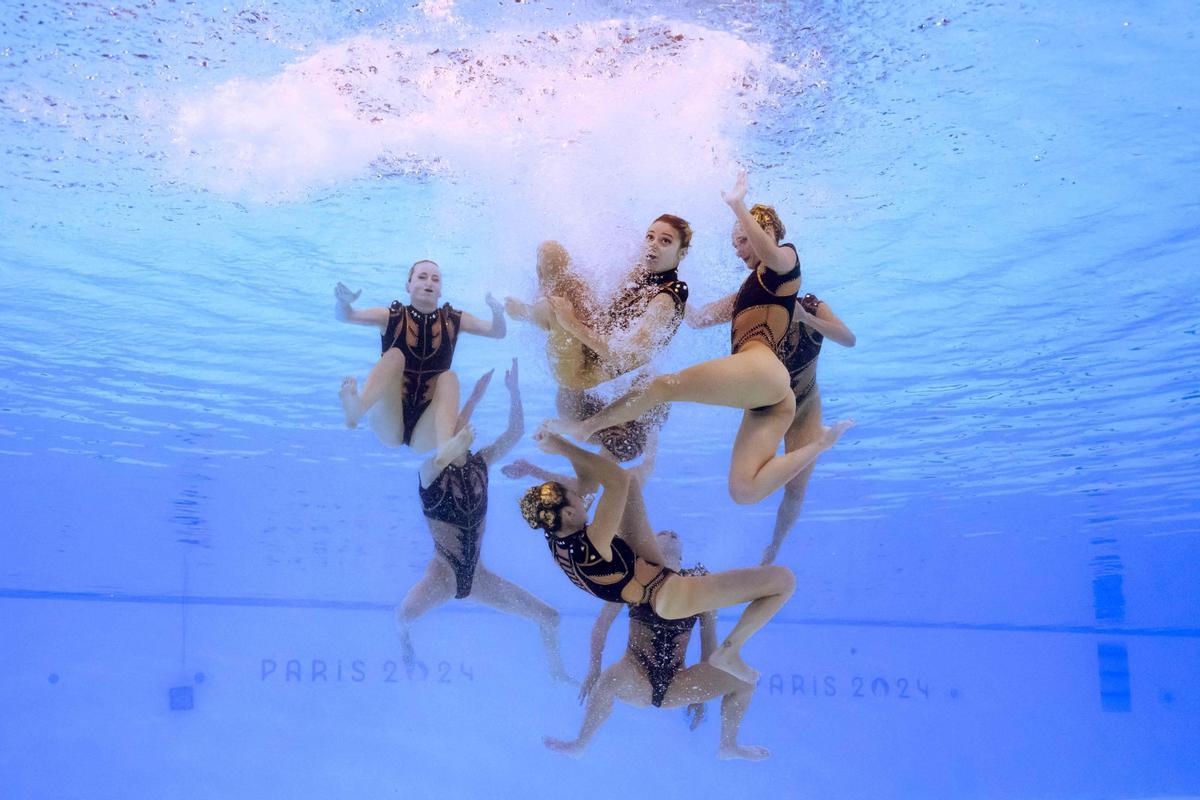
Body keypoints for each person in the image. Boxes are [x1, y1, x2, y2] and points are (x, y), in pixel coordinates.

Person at [549, 172, 852, 504]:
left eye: (744, 240)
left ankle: (586, 427)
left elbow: (773, 256)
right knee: (744, 490)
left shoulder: (785, 261)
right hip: (772, 400)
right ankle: (820, 444)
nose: (739, 251)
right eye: (735, 243)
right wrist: (661, 282)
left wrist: (738, 206)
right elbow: (695, 318)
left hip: (763, 369)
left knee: (663, 387)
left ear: (767, 232)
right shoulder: (747, 292)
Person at [519, 426, 794, 687]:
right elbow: (613, 480)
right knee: (783, 581)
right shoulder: (592, 542)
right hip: (668, 595)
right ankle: (730, 653)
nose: (582, 499)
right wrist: (561, 445)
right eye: (576, 499)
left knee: (632, 482)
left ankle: (636, 435)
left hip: (645, 573)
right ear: (568, 513)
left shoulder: (557, 537)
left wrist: (571, 455)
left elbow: (594, 485)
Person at [399, 360, 571, 682]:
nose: (463, 430)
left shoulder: (481, 463)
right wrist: (466, 415)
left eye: (462, 428)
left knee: (551, 618)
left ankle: (558, 673)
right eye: (453, 431)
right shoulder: (430, 474)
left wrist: (513, 392)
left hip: (479, 578)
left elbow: (515, 432)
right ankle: (405, 644)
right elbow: (440, 456)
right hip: (443, 576)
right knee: (404, 615)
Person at [543, 530, 769, 761]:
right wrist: (594, 668)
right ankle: (581, 744)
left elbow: (708, 644)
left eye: (675, 534)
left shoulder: (700, 584)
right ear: (649, 546)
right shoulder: (631, 578)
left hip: (677, 683)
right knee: (610, 679)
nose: (670, 532)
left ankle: (728, 746)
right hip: (636, 675)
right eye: (660, 532)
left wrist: (699, 697)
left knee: (744, 681)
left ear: (682, 556)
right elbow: (602, 625)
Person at [689, 283, 856, 563]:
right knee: (744, 484)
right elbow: (696, 319)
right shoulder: (745, 302)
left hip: (803, 405)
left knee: (795, 489)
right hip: (765, 407)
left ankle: (774, 548)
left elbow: (848, 339)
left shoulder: (811, 306)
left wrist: (806, 318)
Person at [505, 216, 691, 461]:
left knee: (554, 311)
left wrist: (571, 321)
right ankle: (543, 310)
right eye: (650, 236)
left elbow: (625, 356)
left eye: (665, 241)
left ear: (681, 253)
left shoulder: (665, 300)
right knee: (550, 251)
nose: (653, 244)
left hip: (581, 370)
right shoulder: (643, 271)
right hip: (592, 332)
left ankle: (530, 313)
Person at [335, 259, 506, 453]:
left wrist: (497, 312)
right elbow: (347, 315)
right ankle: (357, 409)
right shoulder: (391, 317)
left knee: (449, 378)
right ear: (408, 285)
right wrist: (343, 303)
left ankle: (445, 448)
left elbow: (497, 332)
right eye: (422, 277)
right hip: (389, 423)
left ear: (440, 290)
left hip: (426, 432)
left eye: (435, 279)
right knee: (394, 356)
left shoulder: (453, 321)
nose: (429, 283)